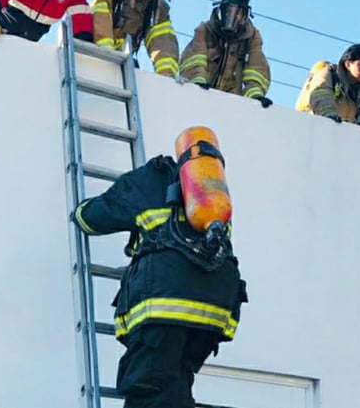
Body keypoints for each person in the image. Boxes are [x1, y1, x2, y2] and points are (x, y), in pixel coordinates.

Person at [74, 127, 247, 408]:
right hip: (215, 309)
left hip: (164, 302)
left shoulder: (149, 179)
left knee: (147, 389)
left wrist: (79, 210)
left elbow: (92, 219)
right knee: (176, 386)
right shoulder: (212, 196)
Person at [90, 0, 179, 77]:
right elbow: (100, 21)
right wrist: (107, 56)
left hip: (124, 58)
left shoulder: (159, 8)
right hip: (99, 52)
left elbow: (163, 43)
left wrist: (169, 77)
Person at [179, 0, 272, 107]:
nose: (232, 16)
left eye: (238, 12)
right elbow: (194, 60)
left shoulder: (251, 37)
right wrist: (197, 82)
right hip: (203, 93)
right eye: (228, 10)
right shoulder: (206, 30)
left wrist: (255, 96)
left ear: (245, 16)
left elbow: (257, 69)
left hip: (230, 103)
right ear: (220, 10)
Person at [295, 43, 360, 125]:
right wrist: (328, 114)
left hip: (344, 132)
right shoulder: (330, 74)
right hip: (314, 125)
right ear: (348, 65)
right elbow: (321, 92)